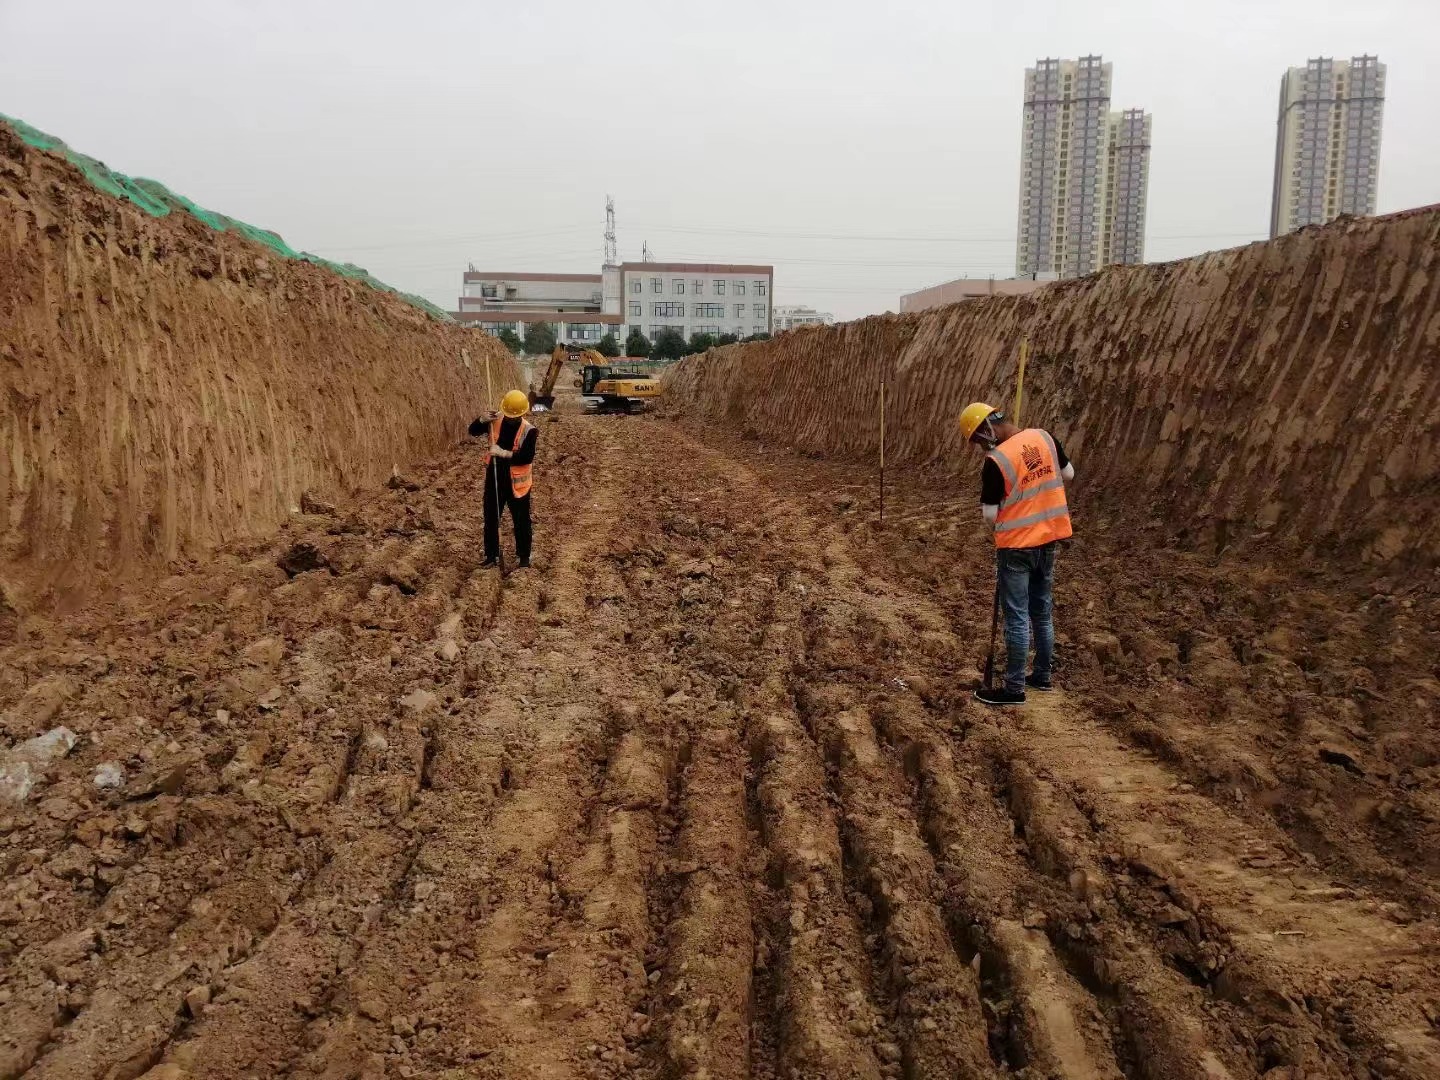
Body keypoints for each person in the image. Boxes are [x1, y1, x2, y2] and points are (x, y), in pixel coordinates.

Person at [957, 402, 1074, 706]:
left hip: (1017, 547)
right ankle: (1043, 676)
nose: (981, 448)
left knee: (1017, 617)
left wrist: (1015, 510)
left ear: (987, 429)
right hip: (1048, 540)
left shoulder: (997, 460)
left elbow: (989, 514)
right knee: (1041, 610)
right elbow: (1069, 474)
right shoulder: (1045, 437)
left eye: (980, 441)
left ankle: (1013, 688)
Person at [472, 389, 538, 569]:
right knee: (491, 517)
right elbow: (473, 431)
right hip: (495, 477)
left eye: (513, 416)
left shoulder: (529, 430)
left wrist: (502, 452)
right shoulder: (496, 419)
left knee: (521, 520)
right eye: (508, 415)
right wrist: (481, 420)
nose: (510, 419)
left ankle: (523, 557)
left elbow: (526, 457)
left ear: (523, 413)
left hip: (517, 483)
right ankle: (491, 555)